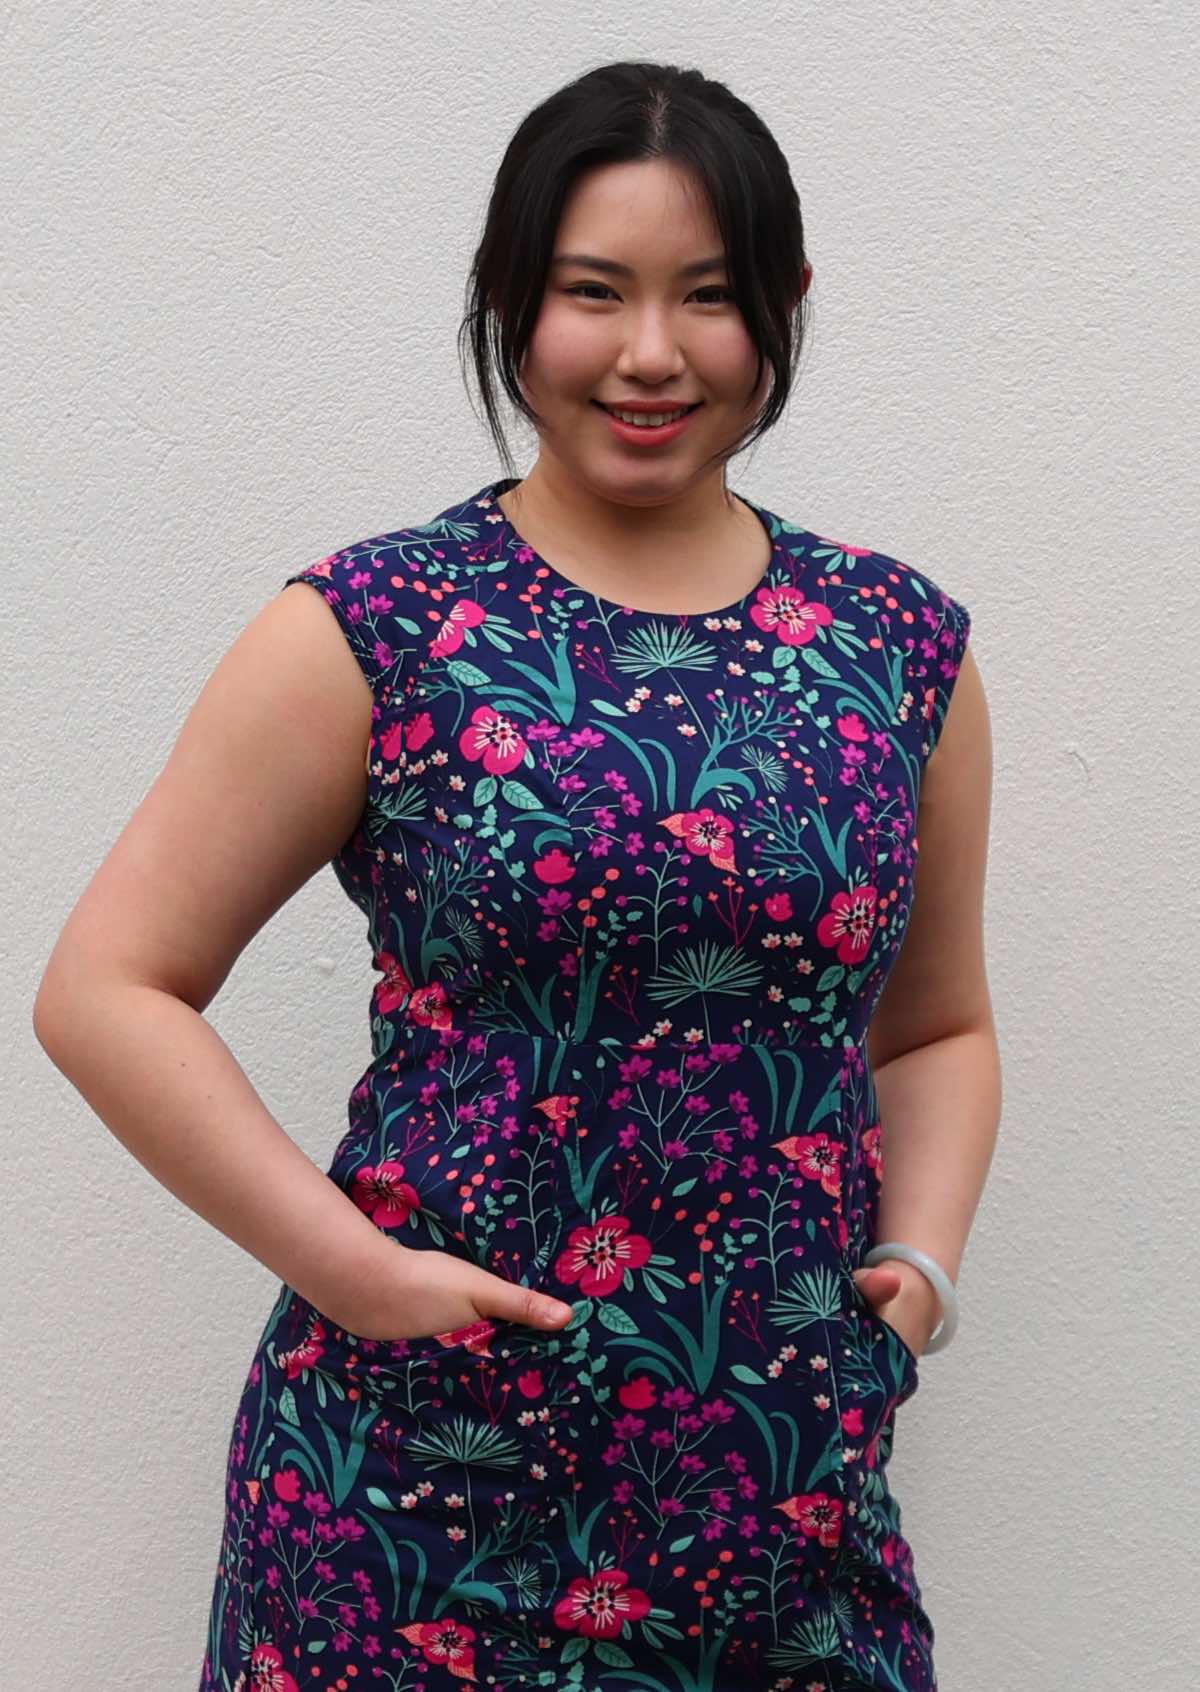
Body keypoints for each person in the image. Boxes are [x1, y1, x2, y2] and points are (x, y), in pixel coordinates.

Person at [33, 58, 999, 1692]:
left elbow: (938, 1029)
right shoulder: (377, 626)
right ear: (509, 300)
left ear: (785, 304)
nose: (650, 352)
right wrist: (352, 1273)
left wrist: (910, 1291)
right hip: (412, 1499)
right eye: (590, 291)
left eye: (708, 295)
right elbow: (105, 990)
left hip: (786, 1503)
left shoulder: (897, 647)